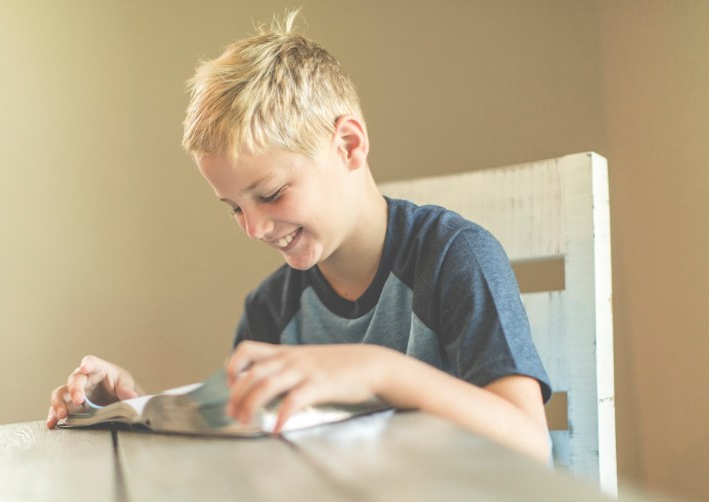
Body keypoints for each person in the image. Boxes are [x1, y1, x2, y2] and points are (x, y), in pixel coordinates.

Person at [46, 10, 552, 464]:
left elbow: (531, 441)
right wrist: (136, 411)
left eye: (270, 194)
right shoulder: (271, 311)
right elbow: (246, 452)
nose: (254, 228)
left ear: (348, 145)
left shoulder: (452, 258)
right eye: (234, 209)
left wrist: (379, 371)